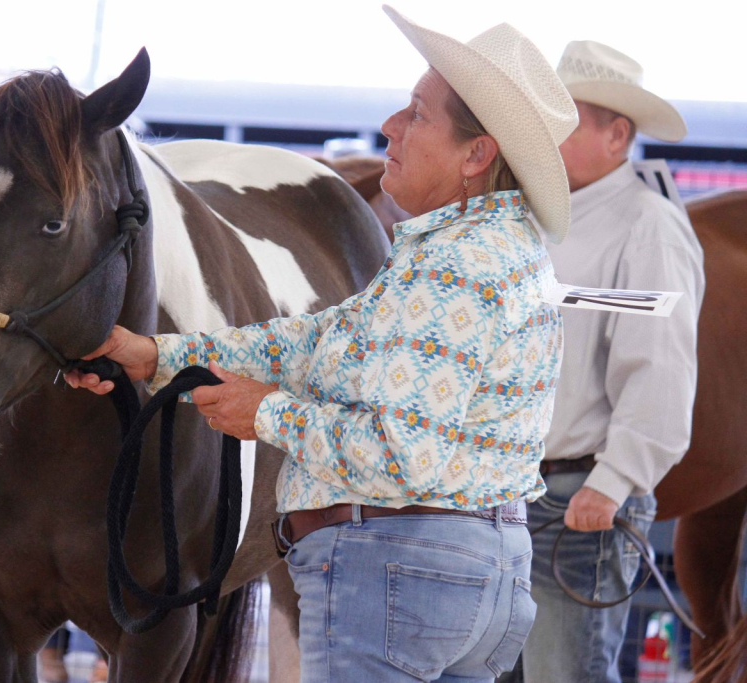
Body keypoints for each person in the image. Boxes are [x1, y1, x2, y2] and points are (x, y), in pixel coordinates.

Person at [68, 7, 577, 681]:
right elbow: (317, 341)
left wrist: (265, 413)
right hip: (480, 571)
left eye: (417, 114)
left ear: (476, 155)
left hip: (396, 569)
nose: (391, 126)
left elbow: (402, 454)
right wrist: (160, 357)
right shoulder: (495, 251)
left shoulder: (451, 268)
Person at [500, 41, 705, 683]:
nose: (544, 137)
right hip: (519, 494)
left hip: (577, 499)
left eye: (563, 123)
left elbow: (659, 369)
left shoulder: (648, 227)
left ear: (618, 135)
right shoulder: (542, 220)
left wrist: (614, 481)